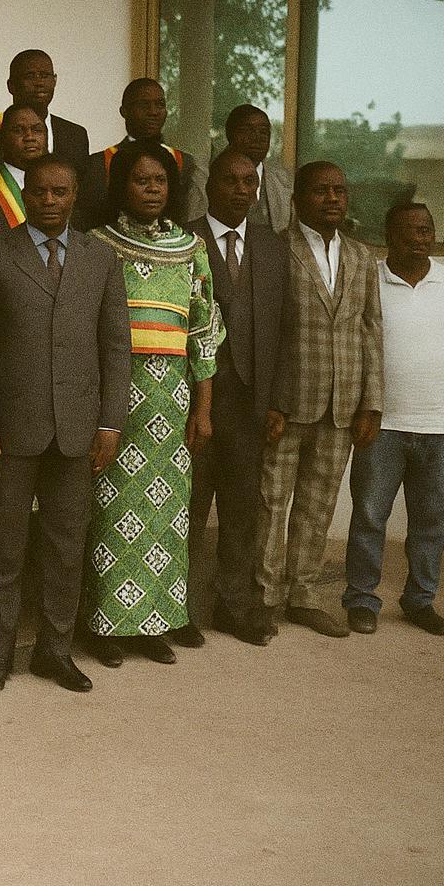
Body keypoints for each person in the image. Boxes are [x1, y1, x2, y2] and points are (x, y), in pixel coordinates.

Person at [0, 155, 131, 695]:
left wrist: (110, 423)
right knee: (5, 547)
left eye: (61, 192)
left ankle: (54, 651)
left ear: (75, 195)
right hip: (12, 430)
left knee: (66, 545)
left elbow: (115, 346)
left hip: (79, 428)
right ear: (24, 195)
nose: (50, 201)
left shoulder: (99, 258)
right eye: (39, 192)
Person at [81, 140, 223, 667]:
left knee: (166, 515)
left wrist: (202, 408)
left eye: (160, 181)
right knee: (110, 513)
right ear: (122, 186)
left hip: (172, 400)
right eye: (141, 180)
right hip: (114, 394)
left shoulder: (190, 247)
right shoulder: (98, 244)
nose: (151, 189)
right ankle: (102, 626)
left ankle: (153, 625)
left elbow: (204, 331)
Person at [256, 161, 383, 638]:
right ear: (296, 200)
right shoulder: (274, 249)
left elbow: (372, 330)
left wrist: (371, 403)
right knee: (271, 502)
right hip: (287, 403)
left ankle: (303, 596)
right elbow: (265, 330)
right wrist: (269, 399)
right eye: (321, 190)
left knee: (318, 504)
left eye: (340, 190)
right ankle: (264, 597)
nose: (333, 198)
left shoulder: (362, 256)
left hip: (342, 404)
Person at [343, 202, 444, 636]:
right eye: (410, 231)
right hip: (380, 425)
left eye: (426, 230)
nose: (420, 238)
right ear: (389, 235)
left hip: (440, 427)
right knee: (369, 516)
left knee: (431, 522)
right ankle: (361, 599)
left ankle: (420, 600)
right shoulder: (369, 280)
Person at [187, 148, 288, 647]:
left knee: (242, 511)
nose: (241, 190)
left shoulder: (272, 246)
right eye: (231, 180)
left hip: (250, 407)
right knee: (187, 510)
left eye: (250, 182)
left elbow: (286, 328)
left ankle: (233, 607)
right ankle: (178, 611)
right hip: (193, 404)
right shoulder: (184, 239)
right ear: (210, 186)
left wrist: (277, 401)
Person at [79, 79, 196, 229]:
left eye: (160, 105)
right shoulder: (99, 162)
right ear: (124, 111)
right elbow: (86, 219)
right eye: (144, 105)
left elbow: (189, 217)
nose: (153, 112)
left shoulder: (183, 161)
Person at [0, 50, 90, 168]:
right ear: (11, 85)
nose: (39, 83)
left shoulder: (75, 135)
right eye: (30, 76)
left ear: (54, 81)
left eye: (45, 76)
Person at [185, 105, 292, 230]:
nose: (257, 137)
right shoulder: (204, 175)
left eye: (263, 132)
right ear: (230, 135)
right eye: (247, 130)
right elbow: (194, 228)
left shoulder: (283, 180)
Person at [0, 104, 48, 236]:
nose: (29, 137)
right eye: (18, 130)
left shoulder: (62, 189)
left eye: (37, 130)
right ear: (3, 138)